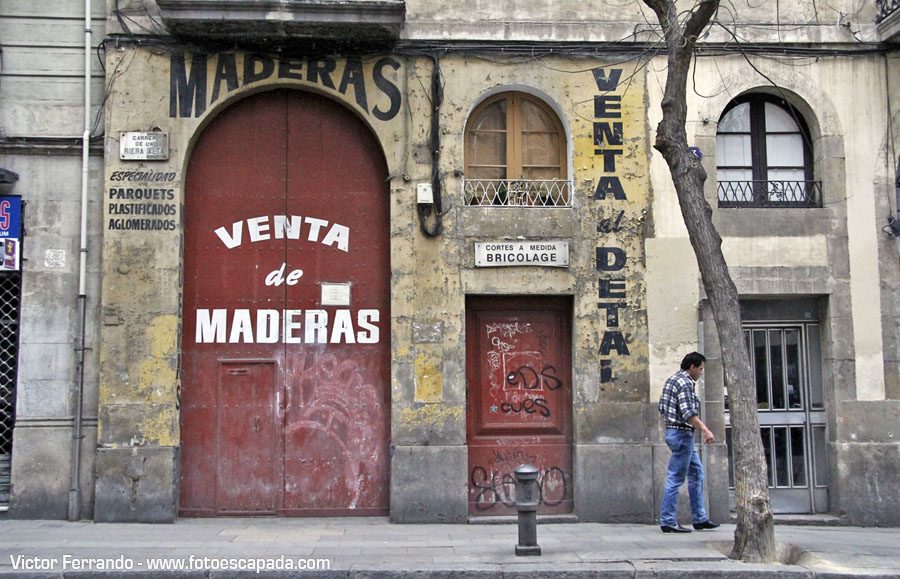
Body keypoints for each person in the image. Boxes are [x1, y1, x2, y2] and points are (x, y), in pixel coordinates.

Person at [657, 351, 720, 533]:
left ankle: (700, 518)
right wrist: (705, 430)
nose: (701, 373)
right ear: (692, 367)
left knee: (696, 473)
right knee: (676, 478)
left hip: (676, 433)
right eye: (700, 369)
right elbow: (688, 413)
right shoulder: (685, 383)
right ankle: (668, 520)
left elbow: (662, 406)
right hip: (682, 434)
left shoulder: (672, 380)